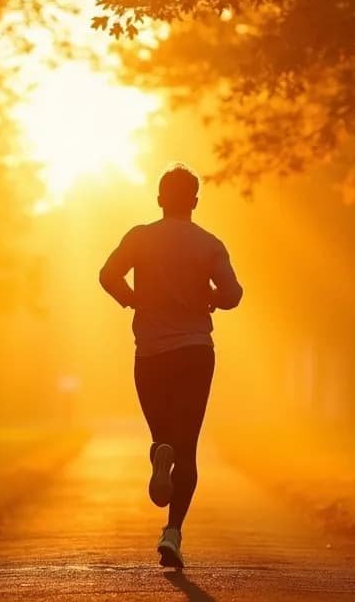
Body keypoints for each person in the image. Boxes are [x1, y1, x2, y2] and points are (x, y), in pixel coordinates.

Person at [98, 164, 243, 569]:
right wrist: (209, 297)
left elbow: (107, 275)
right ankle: (173, 533)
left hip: (151, 353)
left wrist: (133, 299)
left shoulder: (140, 237)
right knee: (188, 446)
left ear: (160, 199)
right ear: (195, 202)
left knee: (163, 435)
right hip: (196, 351)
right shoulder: (209, 244)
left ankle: (159, 451)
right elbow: (233, 294)